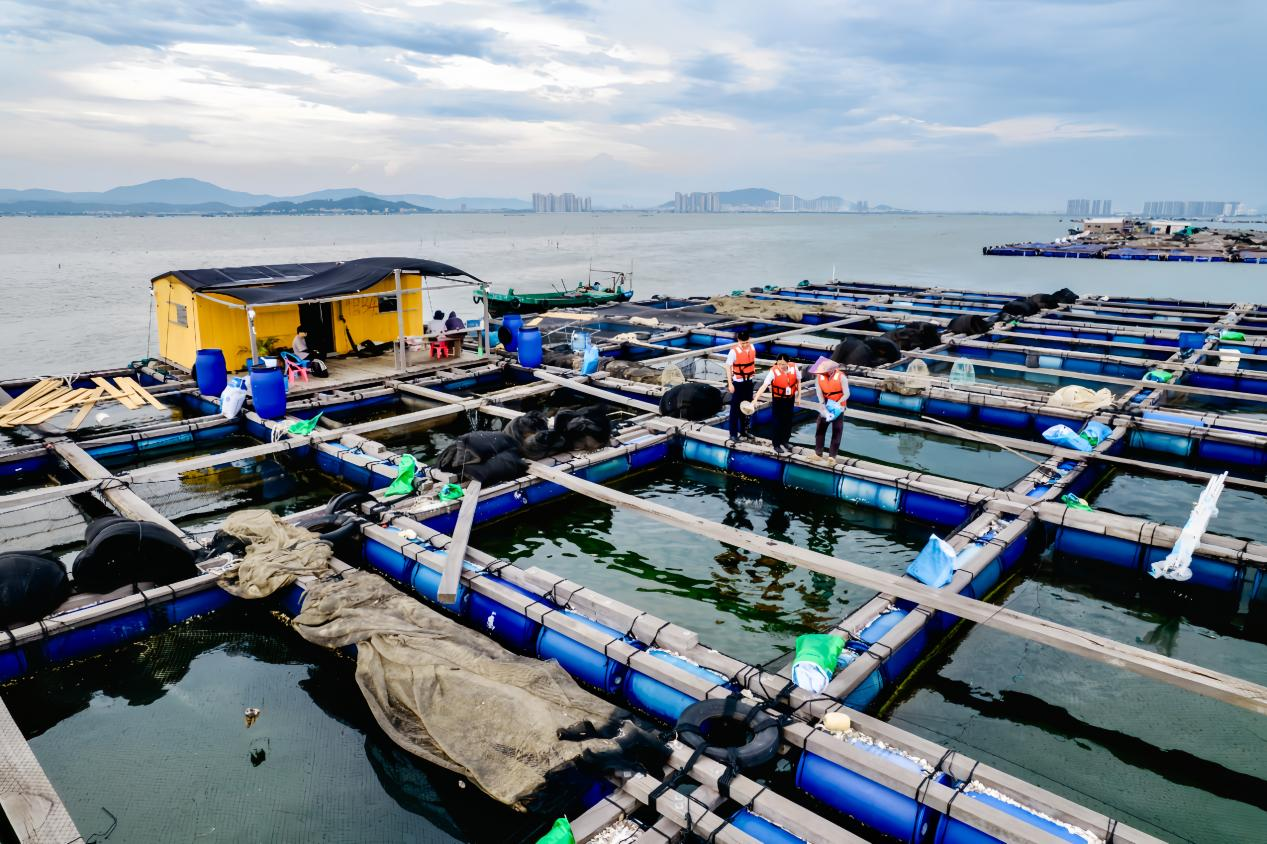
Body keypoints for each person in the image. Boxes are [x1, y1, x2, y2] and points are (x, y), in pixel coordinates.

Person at [753, 353, 800, 454]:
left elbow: (798, 381)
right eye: (779, 364)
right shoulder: (773, 372)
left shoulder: (794, 368)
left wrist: (799, 396)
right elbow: (764, 385)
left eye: (783, 364)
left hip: (790, 398)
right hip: (778, 399)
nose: (781, 366)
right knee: (777, 421)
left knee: (787, 420)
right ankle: (776, 444)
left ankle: (785, 441)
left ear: (788, 362)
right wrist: (755, 398)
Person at [813, 360, 850, 461]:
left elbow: (847, 393)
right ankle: (818, 453)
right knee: (820, 428)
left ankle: (832, 456)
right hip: (826, 404)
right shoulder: (819, 376)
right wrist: (822, 404)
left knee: (837, 430)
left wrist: (837, 404)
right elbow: (819, 391)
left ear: (832, 370)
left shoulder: (841, 376)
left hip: (839, 405)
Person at [724, 329, 757, 441]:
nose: (745, 345)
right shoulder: (733, 352)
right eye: (742, 343)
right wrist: (730, 384)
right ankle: (733, 434)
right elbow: (728, 366)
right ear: (738, 341)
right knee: (735, 409)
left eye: (747, 342)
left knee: (747, 407)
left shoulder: (752, 348)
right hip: (738, 383)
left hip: (749, 382)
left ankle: (744, 431)